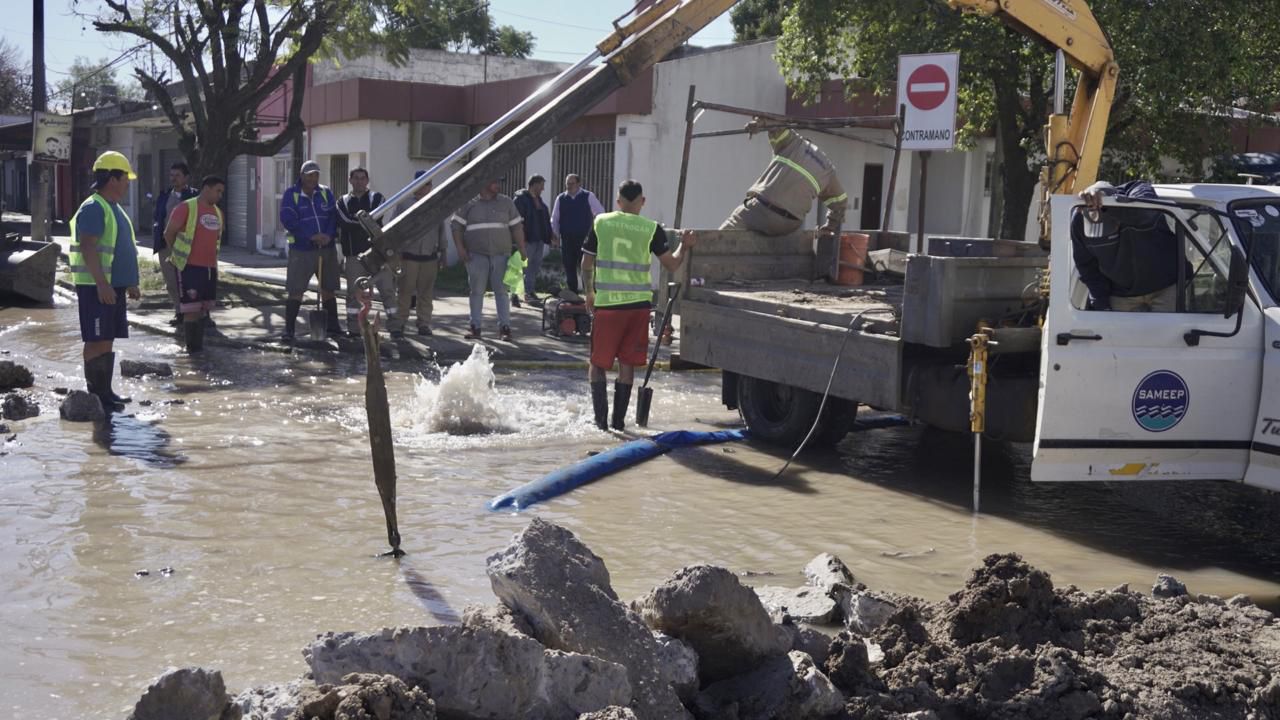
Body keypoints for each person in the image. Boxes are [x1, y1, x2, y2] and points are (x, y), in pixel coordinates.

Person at [581, 179, 696, 431]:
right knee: (627, 364)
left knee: (597, 365)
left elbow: (586, 264)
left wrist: (589, 292)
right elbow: (672, 264)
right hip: (638, 308)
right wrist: (684, 246)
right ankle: (619, 424)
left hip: (608, 307)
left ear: (618, 201)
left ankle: (600, 424)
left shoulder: (601, 222)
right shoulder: (651, 228)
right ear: (642, 202)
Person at [68, 151, 140, 412]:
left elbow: (122, 248)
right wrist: (101, 283)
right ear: (112, 178)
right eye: (125, 178)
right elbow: (88, 247)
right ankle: (96, 395)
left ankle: (105, 391)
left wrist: (131, 282)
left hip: (113, 286)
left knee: (107, 338)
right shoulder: (93, 207)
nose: (128, 183)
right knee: (96, 339)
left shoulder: (113, 208)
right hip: (95, 286)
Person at [1073, 180, 1180, 312]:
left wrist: (1109, 206)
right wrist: (1101, 303)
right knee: (1120, 332)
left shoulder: (1139, 192)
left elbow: (1146, 215)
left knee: (1170, 331)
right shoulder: (1079, 218)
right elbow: (1087, 266)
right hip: (1121, 293)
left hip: (1164, 285)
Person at [721, 125, 848, 237]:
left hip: (762, 210)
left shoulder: (794, 142)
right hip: (789, 224)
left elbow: (775, 123)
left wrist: (759, 123)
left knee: (725, 233)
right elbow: (841, 202)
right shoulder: (828, 169)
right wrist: (830, 227)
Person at [451, 178, 528, 341]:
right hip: (476, 255)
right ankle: (475, 327)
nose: (498, 185)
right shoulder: (469, 203)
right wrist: (460, 248)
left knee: (502, 292)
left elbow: (517, 227)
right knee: (477, 292)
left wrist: (522, 249)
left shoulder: (506, 202)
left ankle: (505, 328)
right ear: (484, 183)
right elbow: (456, 227)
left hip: (502, 255)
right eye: (495, 182)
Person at [279, 160, 340, 341]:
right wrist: (311, 236)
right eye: (309, 174)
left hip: (326, 249)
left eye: (316, 174)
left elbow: (332, 216)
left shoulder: (325, 192)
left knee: (329, 288)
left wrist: (328, 235)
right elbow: (289, 220)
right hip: (301, 250)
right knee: (296, 290)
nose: (313, 178)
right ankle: (289, 329)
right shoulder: (292, 194)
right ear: (302, 175)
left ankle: (334, 327)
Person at [163, 175, 225, 353]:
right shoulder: (186, 207)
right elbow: (169, 233)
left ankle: (198, 349)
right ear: (206, 189)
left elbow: (217, 239)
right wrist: (177, 255)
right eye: (217, 191)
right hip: (188, 267)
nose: (220, 195)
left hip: (209, 268)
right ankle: (192, 352)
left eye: (221, 192)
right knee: (190, 310)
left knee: (202, 309)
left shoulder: (218, 213)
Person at [336, 167, 399, 337]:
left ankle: (395, 327)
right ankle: (354, 328)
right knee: (353, 294)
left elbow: (375, 218)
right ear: (350, 180)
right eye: (355, 178)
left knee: (387, 291)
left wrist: (358, 222)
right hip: (353, 256)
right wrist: (364, 223)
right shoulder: (342, 201)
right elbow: (344, 222)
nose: (359, 181)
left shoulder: (377, 198)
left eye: (362, 178)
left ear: (367, 180)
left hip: (378, 255)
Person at [393, 171, 448, 337]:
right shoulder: (404, 204)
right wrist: (395, 254)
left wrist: (443, 253)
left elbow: (441, 230)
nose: (422, 187)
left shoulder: (437, 204)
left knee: (426, 293)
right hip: (408, 256)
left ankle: (424, 323)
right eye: (420, 183)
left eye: (426, 184)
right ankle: (399, 323)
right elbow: (394, 229)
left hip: (429, 257)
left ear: (430, 186)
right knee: (404, 292)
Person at [152, 162, 198, 326]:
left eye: (177, 175)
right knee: (171, 281)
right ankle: (179, 311)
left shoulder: (194, 196)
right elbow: (158, 217)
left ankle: (194, 312)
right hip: (166, 245)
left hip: (187, 246)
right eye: (171, 175)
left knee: (189, 280)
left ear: (186, 177)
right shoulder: (164, 196)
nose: (173, 179)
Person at [551, 174, 605, 293]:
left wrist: (596, 232)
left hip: (584, 239)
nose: (569, 186)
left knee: (586, 267)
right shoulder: (561, 198)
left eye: (572, 183)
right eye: (567, 184)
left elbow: (600, 213)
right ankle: (572, 293)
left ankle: (590, 294)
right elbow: (555, 218)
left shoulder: (588, 196)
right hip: (567, 239)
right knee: (569, 266)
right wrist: (555, 235)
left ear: (579, 184)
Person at [513, 174, 554, 305]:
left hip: (539, 239)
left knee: (533, 267)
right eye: (541, 185)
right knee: (522, 268)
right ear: (534, 184)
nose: (543, 188)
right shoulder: (520, 200)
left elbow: (544, 219)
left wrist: (550, 234)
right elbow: (517, 221)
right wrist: (521, 239)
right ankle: (514, 294)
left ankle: (529, 292)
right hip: (527, 240)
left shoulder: (539, 201)